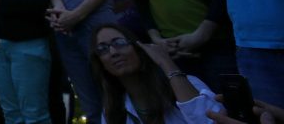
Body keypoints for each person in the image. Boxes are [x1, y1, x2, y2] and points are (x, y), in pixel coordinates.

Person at [90, 23, 222, 124]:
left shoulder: (188, 83)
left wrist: (167, 64)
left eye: (119, 43)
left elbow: (212, 120)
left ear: (140, 49)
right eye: (102, 49)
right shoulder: (112, 112)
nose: (113, 52)